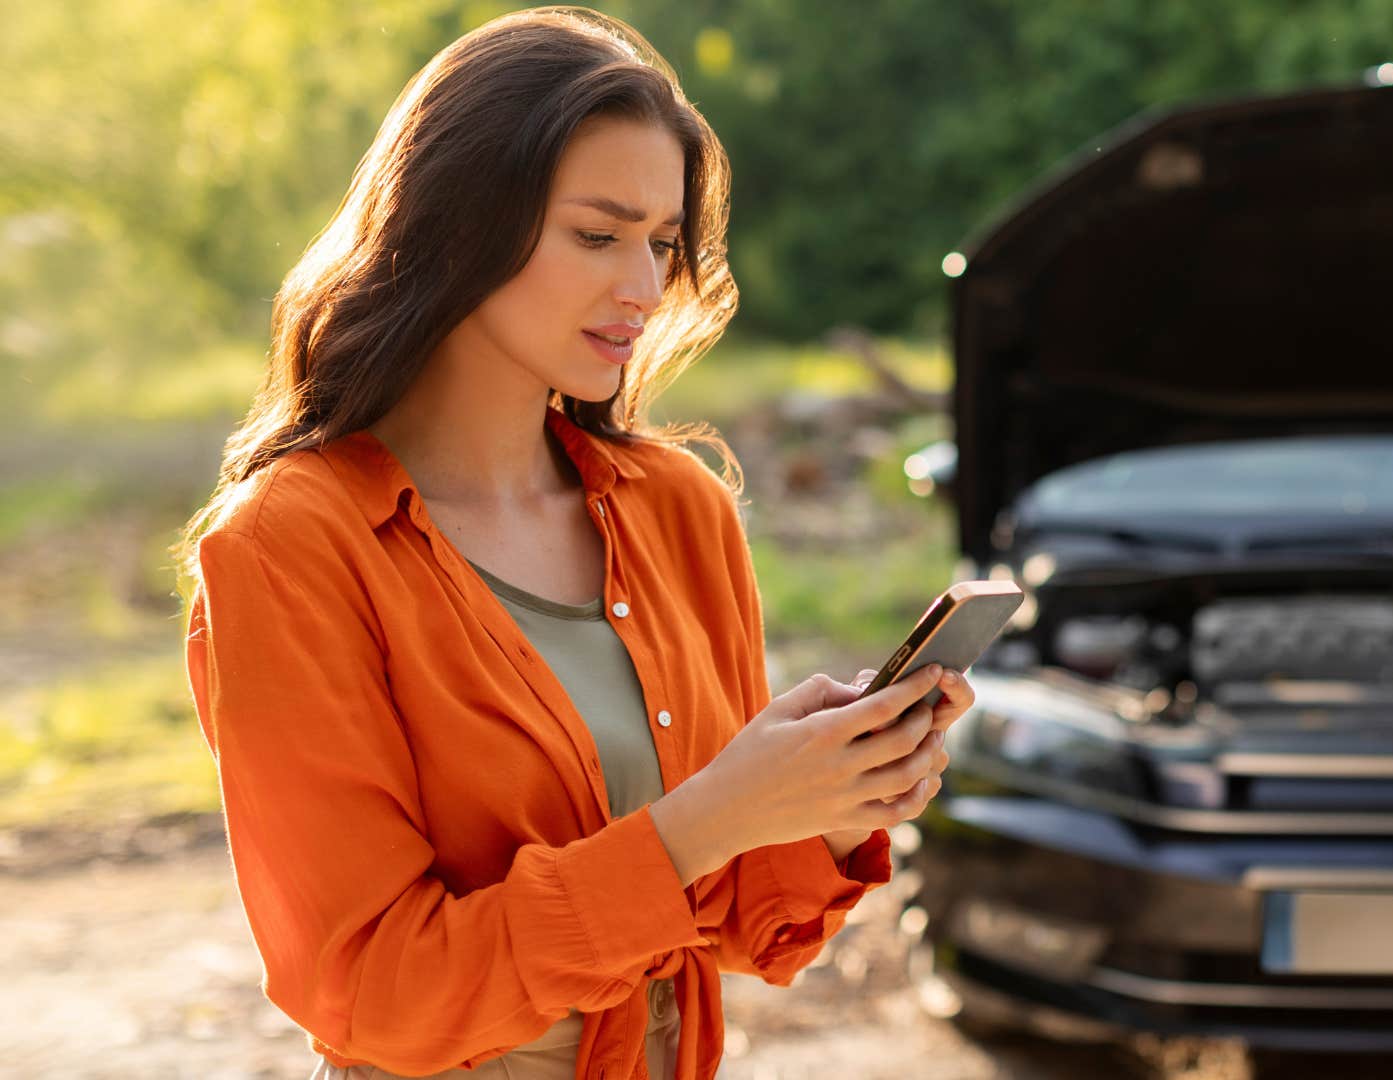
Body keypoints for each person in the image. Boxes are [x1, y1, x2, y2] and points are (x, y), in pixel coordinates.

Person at [175, 8, 972, 1079]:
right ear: (460, 222)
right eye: (597, 237)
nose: (643, 290)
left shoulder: (677, 508)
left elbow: (738, 925)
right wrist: (703, 820)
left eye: (662, 245)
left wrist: (828, 805)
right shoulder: (291, 543)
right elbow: (373, 991)